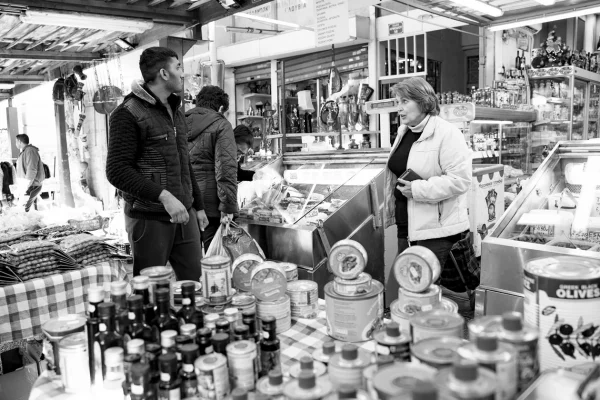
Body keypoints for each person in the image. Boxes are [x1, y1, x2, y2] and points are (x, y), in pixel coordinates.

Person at [106, 47, 208, 282]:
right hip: (148, 219)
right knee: (149, 292)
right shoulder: (128, 113)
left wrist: (198, 206)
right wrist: (163, 196)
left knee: (195, 284)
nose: (183, 73)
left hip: (186, 214)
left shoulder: (177, 111)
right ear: (164, 73)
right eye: (178, 67)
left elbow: (184, 162)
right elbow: (117, 171)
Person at [384, 77, 472, 299]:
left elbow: (460, 180)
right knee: (410, 287)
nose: (399, 108)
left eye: (404, 101)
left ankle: (430, 331)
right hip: (407, 225)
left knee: (423, 291)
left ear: (423, 101)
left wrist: (417, 189)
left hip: (436, 230)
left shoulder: (447, 133)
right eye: (397, 101)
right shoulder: (404, 132)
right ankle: (411, 330)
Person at [186, 86, 238, 251]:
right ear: (221, 108)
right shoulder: (221, 125)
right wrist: (228, 206)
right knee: (213, 261)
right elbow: (225, 168)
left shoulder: (177, 121)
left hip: (184, 202)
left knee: (190, 263)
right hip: (211, 205)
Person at [15, 134, 45, 212]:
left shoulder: (30, 151)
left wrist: (26, 185)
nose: (16, 144)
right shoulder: (25, 151)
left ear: (19, 141)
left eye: (16, 141)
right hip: (28, 185)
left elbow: (31, 169)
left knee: (25, 210)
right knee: (25, 210)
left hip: (31, 185)